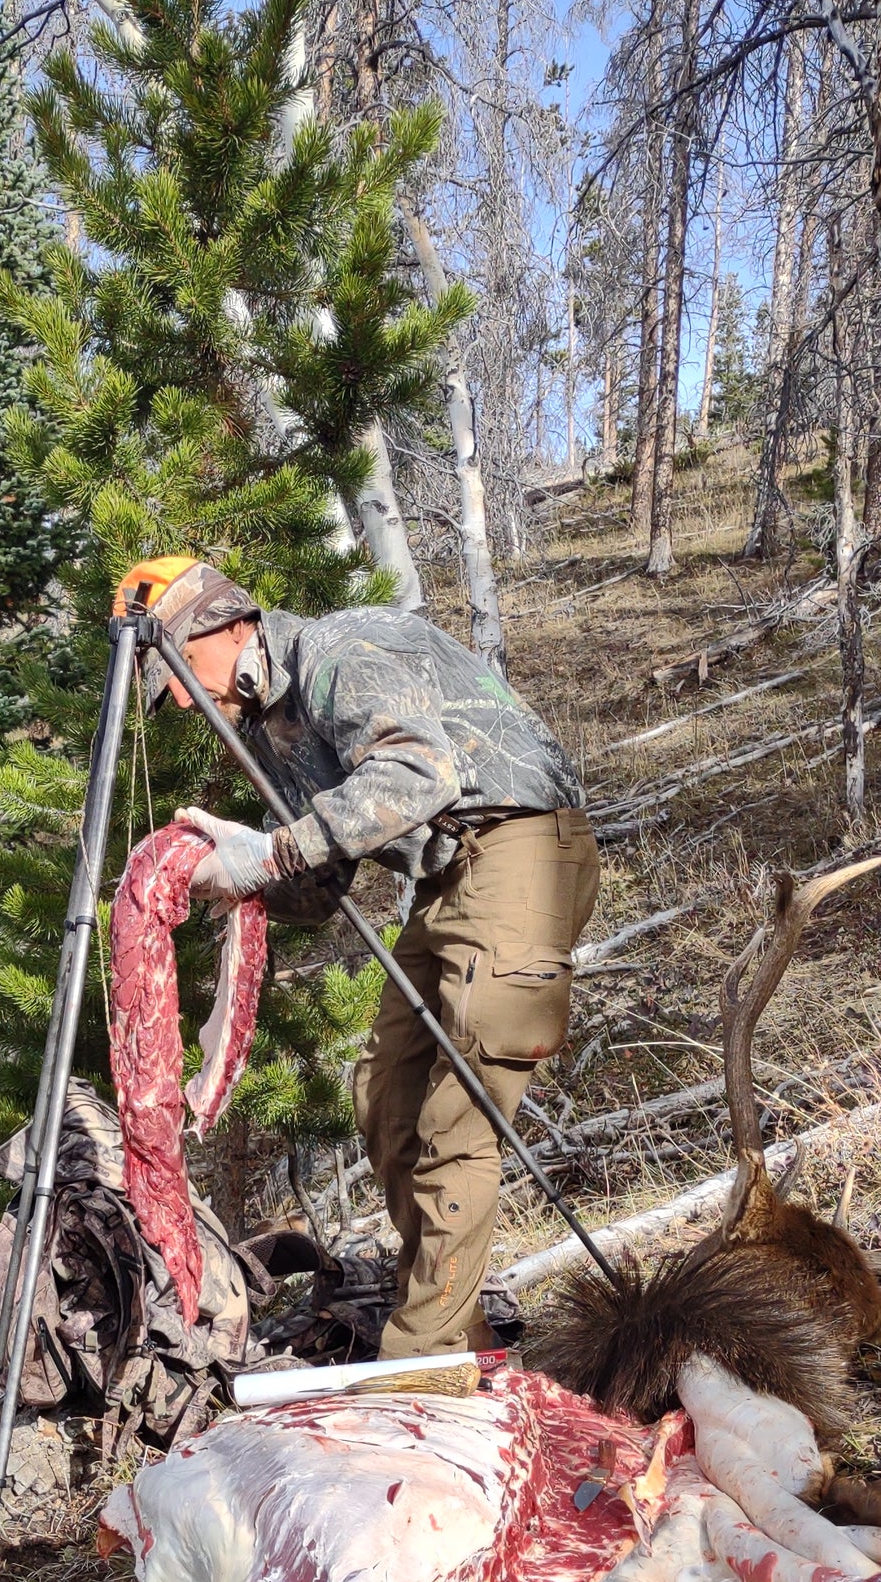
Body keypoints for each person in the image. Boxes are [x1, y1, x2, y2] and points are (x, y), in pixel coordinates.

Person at [114, 554, 599, 1360]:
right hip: (449, 875)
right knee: (383, 1093)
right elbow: (324, 878)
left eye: (175, 666)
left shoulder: (339, 651)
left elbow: (418, 773)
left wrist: (268, 852)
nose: (175, 695)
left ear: (229, 624)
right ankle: (457, 1329)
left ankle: (422, 1352)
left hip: (519, 846)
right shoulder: (275, 725)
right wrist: (235, 875)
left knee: (458, 1112)